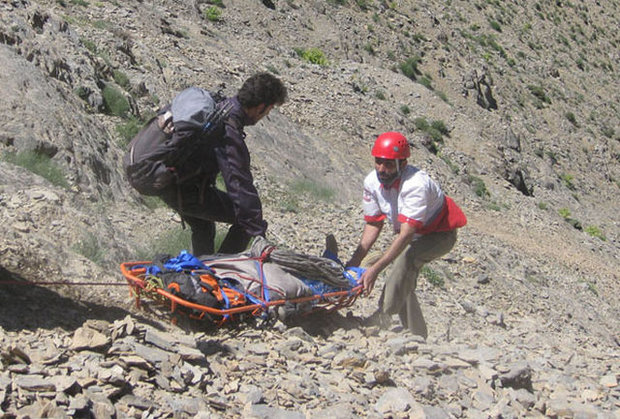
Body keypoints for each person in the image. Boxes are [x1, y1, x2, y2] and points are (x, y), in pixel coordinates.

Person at [346, 131, 467, 338]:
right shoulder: (372, 182)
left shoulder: (416, 185)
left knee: (405, 260)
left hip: (439, 234)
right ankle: (417, 333)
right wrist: (354, 261)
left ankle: (382, 316)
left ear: (402, 164)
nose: (381, 169)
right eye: (378, 162)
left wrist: (374, 269)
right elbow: (374, 224)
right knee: (404, 279)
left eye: (389, 164)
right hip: (412, 233)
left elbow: (406, 235)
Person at [157, 73, 288, 256]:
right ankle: (219, 269)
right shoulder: (228, 127)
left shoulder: (220, 106)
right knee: (245, 220)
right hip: (183, 189)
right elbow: (238, 182)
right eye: (268, 110)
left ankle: (200, 273)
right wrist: (258, 230)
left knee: (203, 226)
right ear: (260, 107)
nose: (265, 115)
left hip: (168, 181)